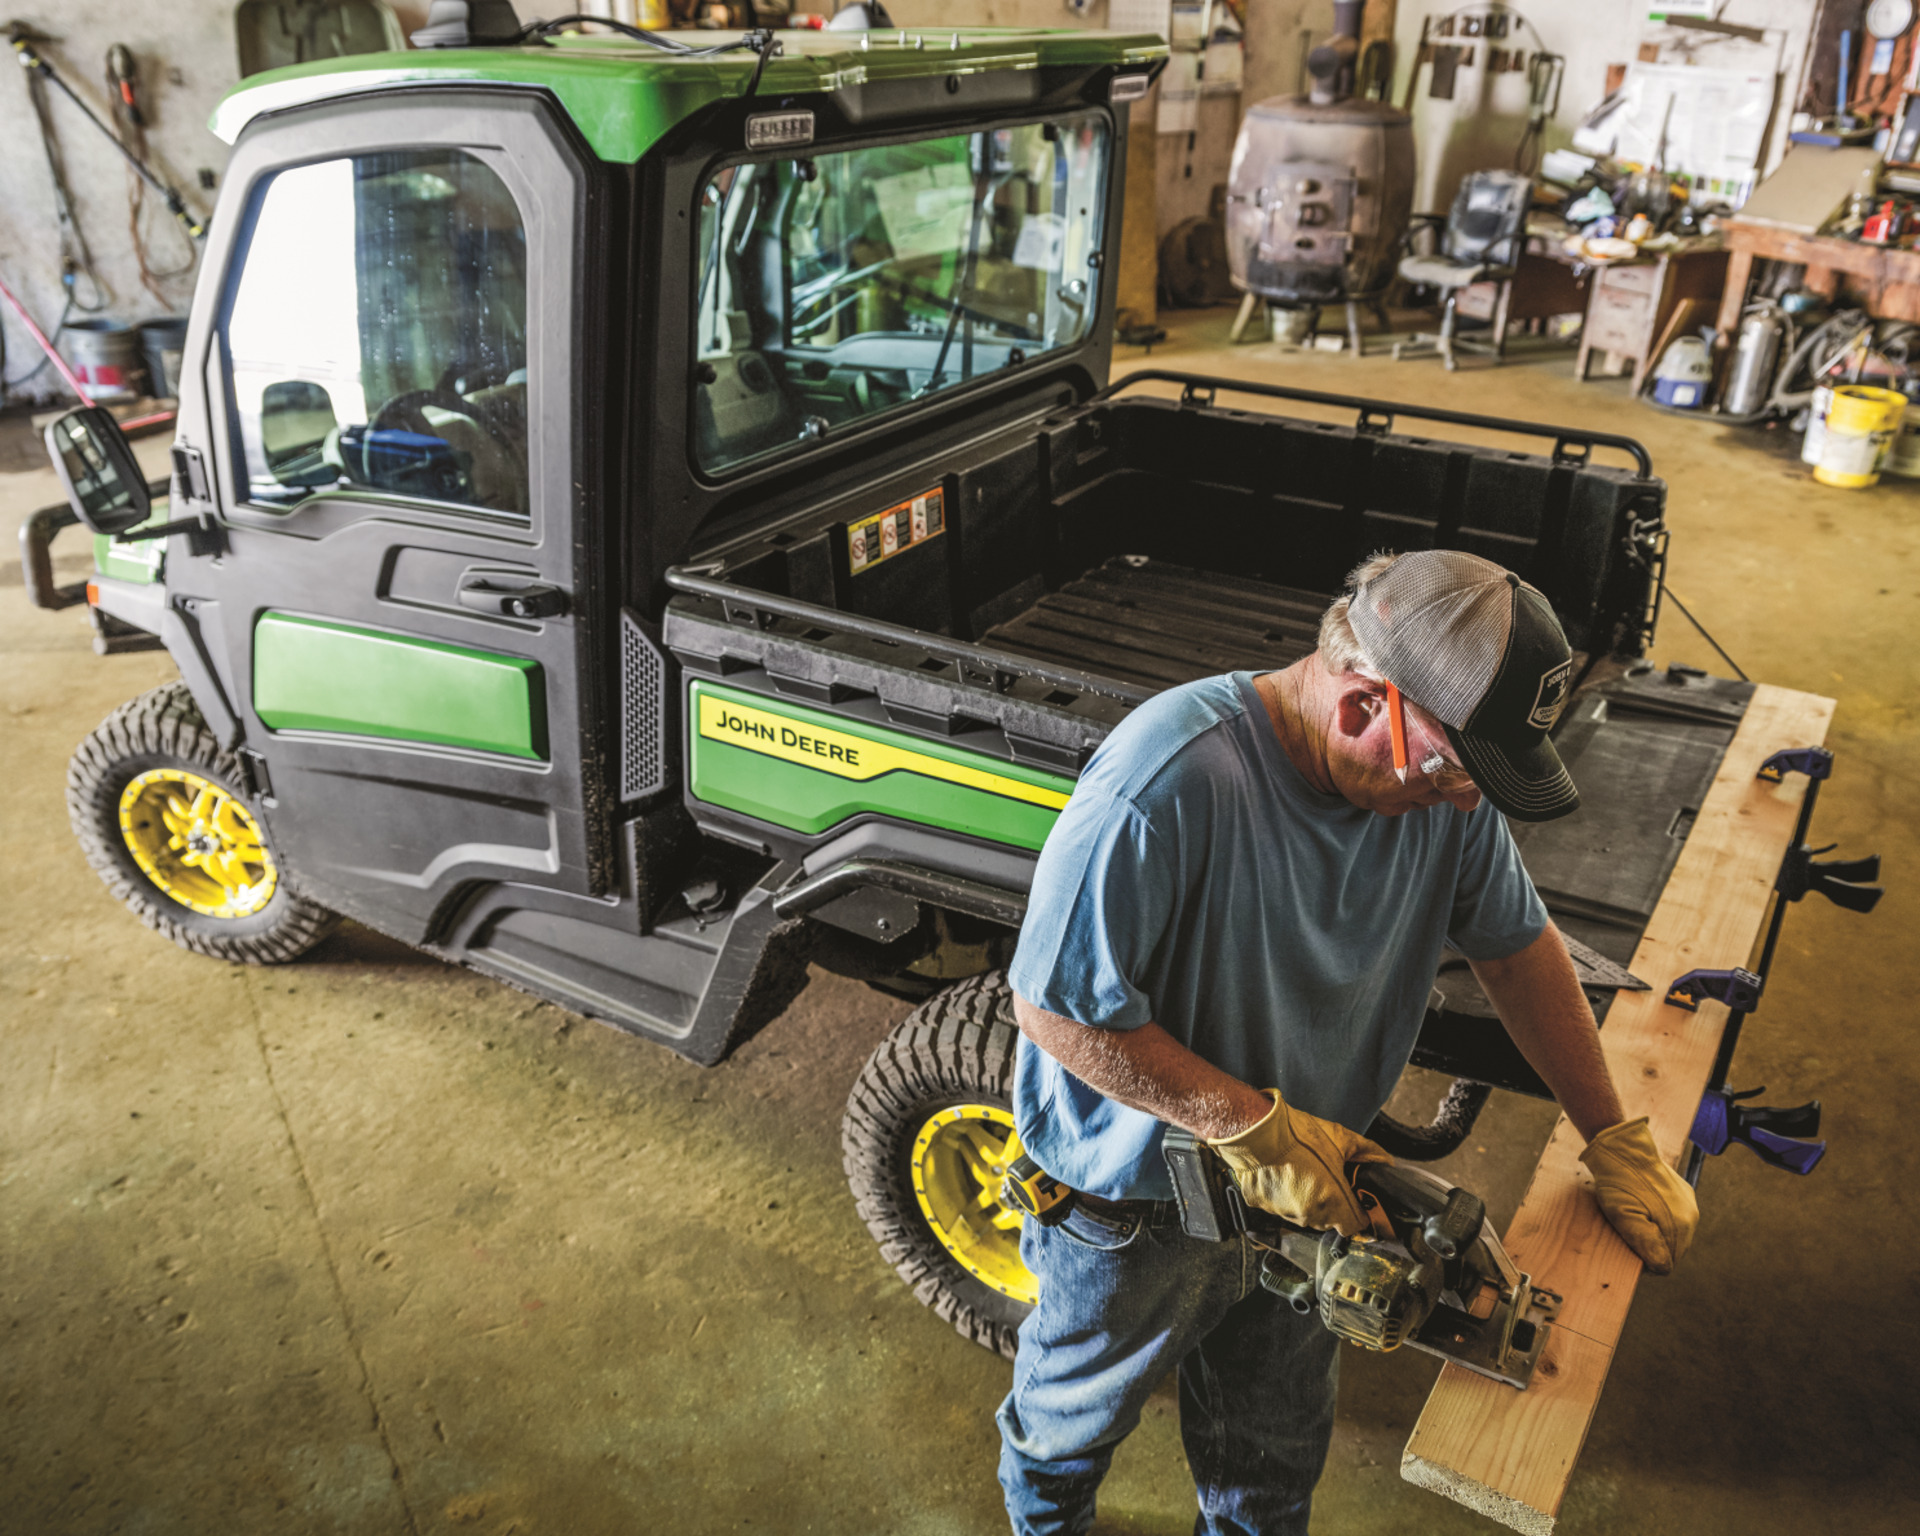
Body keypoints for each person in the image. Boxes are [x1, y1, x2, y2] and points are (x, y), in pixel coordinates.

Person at [996, 548, 1698, 1536]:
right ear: (1369, 703)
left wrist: (1611, 1134)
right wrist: (1243, 1126)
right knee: (1067, 1430)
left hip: (1320, 1184)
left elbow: (1520, 949)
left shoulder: (1437, 790)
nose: (1466, 804)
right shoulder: (1166, 783)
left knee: (1274, 1451)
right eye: (1457, 772)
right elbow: (1057, 1010)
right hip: (1137, 1208)